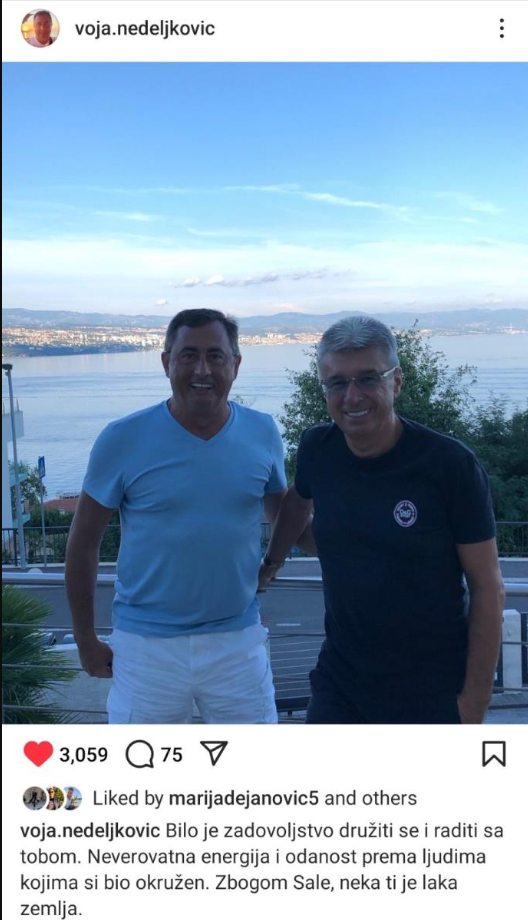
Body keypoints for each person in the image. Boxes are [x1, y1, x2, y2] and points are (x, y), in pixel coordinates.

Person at [259, 316, 505, 724]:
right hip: (340, 684)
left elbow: (487, 587)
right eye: (337, 382)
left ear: (397, 382)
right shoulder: (318, 447)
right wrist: (271, 563)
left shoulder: (449, 465)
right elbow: (298, 506)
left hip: (430, 690)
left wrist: (475, 702)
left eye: (368, 378)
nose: (352, 396)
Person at [65, 308, 287, 724]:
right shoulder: (122, 437)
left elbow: (287, 518)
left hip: (238, 643)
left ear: (236, 365)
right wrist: (84, 638)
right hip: (145, 648)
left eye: (215, 356)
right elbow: (83, 543)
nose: (202, 369)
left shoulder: (263, 432)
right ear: (167, 362)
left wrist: (273, 562)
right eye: (188, 355)